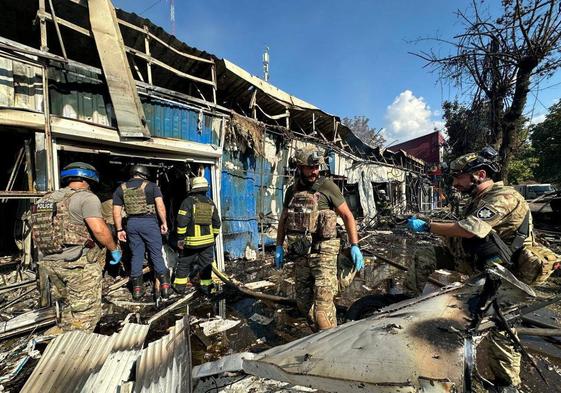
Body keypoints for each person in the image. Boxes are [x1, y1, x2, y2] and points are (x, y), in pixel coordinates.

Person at [405, 146, 560, 393]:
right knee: (425, 256)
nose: (454, 183)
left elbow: (470, 229)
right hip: (477, 265)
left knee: (501, 327)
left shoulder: (504, 196)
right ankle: (409, 311)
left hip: (506, 272)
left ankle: (507, 384)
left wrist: (428, 226)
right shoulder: (479, 200)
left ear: (479, 174)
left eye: (458, 177)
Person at [275, 146, 364, 331]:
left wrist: (355, 245)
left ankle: (331, 348)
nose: (314, 171)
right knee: (304, 304)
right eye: (310, 167)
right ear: (299, 167)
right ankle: (318, 337)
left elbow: (348, 215)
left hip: (324, 253)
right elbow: (284, 219)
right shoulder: (292, 191)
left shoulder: (327, 186)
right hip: (301, 254)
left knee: (322, 310)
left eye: (316, 167)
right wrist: (278, 246)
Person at [31, 162, 122, 334]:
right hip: (78, 264)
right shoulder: (87, 198)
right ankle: (80, 353)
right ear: (90, 178)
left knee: (67, 309)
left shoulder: (46, 199)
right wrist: (114, 248)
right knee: (85, 314)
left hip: (50, 264)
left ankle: (65, 341)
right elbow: (98, 229)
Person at [112, 165, 171, 300]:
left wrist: (119, 229)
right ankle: (165, 287)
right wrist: (164, 222)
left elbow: (116, 212)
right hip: (149, 223)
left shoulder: (121, 189)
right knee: (156, 254)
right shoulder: (152, 186)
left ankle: (137, 290)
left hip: (132, 224)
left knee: (136, 255)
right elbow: (160, 206)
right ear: (144, 174)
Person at [174, 176, 221, 295]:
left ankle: (179, 287)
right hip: (207, 243)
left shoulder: (188, 202)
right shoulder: (210, 202)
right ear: (206, 189)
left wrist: (180, 238)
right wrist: (213, 237)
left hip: (191, 243)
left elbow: (181, 221)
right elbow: (217, 223)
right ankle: (206, 288)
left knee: (184, 263)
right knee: (205, 265)